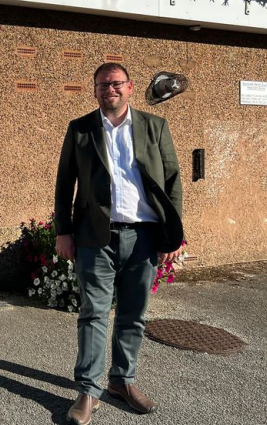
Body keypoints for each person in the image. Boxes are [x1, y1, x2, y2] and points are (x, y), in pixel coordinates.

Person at [54, 63, 184, 425]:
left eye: (115, 84)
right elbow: (65, 183)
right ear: (94, 91)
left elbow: (172, 180)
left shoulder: (154, 127)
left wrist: (173, 233)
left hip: (144, 236)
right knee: (93, 314)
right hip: (96, 237)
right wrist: (63, 230)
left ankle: (122, 382)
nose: (108, 89)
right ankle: (88, 390)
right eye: (101, 85)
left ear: (129, 88)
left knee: (133, 315)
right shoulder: (80, 129)